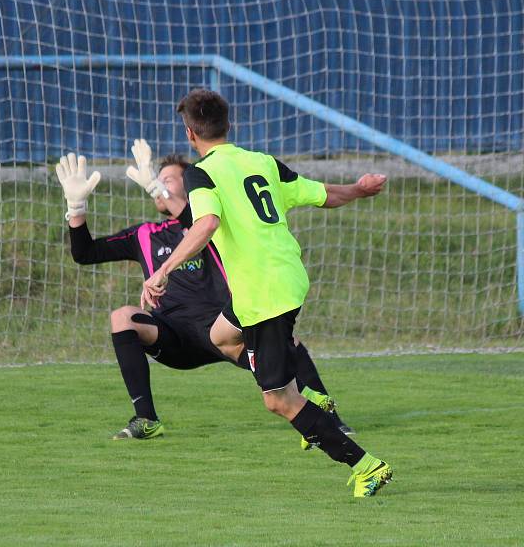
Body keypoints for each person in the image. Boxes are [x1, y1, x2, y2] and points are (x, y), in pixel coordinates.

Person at [141, 89, 392, 497]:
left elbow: (204, 224)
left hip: (263, 294)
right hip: (283, 279)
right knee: (220, 336)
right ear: (229, 125)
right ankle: (309, 394)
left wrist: (162, 271)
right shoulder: (262, 163)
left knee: (278, 401)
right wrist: (359, 190)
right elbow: (321, 194)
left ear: (190, 133)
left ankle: (366, 465)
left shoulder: (200, 174)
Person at [55, 143, 352, 443]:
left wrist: (158, 189)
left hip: (223, 331)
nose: (162, 182)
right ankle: (146, 418)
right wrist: (75, 209)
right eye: (161, 178)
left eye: (171, 179)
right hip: (174, 337)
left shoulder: (208, 224)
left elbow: (193, 220)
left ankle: (331, 419)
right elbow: (85, 253)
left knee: (289, 343)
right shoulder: (144, 234)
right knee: (122, 317)